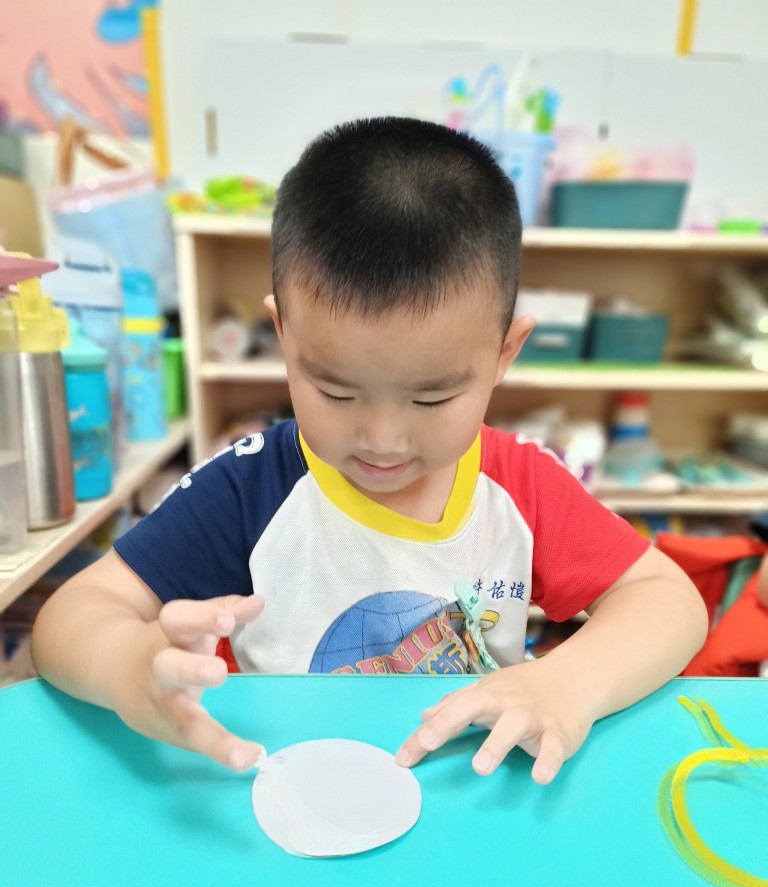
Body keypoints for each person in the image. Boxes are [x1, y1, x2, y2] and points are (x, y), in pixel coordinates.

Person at [31, 117, 707, 783]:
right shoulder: (249, 489)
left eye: (431, 399)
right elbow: (68, 616)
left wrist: (568, 682)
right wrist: (129, 665)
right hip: (296, 795)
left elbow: (666, 598)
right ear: (284, 335)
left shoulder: (519, 484)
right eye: (336, 391)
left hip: (470, 792)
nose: (383, 440)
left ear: (505, 353)